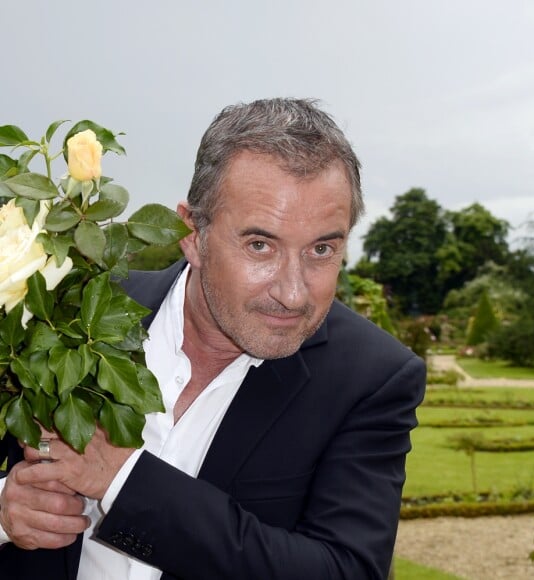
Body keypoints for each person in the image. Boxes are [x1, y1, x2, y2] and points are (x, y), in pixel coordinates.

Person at [0, 98, 425, 579]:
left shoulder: (372, 378)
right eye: (260, 245)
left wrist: (122, 477)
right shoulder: (64, 309)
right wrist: (4, 509)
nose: (292, 292)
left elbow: (346, 571)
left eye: (322, 249)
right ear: (192, 233)